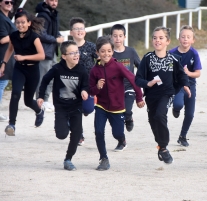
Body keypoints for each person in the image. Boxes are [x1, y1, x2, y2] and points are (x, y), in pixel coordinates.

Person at [135, 26, 190, 164]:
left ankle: (164, 147)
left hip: (167, 94)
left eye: (161, 38)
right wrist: (148, 84)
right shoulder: (147, 58)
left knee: (160, 115)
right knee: (154, 120)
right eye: (155, 38)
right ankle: (160, 146)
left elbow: (181, 75)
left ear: (168, 41)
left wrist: (185, 85)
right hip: (151, 96)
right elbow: (138, 79)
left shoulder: (174, 59)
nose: (157, 40)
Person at [89, 36, 144, 171]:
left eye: (109, 51)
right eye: (103, 51)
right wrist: (97, 87)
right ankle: (103, 158)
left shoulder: (118, 66)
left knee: (117, 133)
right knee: (99, 131)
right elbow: (91, 90)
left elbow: (134, 80)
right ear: (97, 53)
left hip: (117, 107)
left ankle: (122, 140)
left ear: (113, 51)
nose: (106, 54)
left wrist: (139, 97)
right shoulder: (94, 70)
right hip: (101, 106)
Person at [37, 40, 89, 171]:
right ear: (64, 56)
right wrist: (41, 96)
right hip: (61, 107)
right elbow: (45, 80)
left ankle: (68, 159)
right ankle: (64, 124)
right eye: (72, 53)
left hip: (76, 106)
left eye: (77, 52)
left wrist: (84, 91)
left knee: (76, 135)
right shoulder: (57, 68)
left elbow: (86, 85)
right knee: (61, 135)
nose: (76, 55)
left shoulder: (82, 70)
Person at [0, 8, 45, 136]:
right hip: (19, 68)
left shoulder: (34, 37)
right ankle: (12, 125)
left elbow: (41, 55)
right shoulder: (13, 36)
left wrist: (24, 57)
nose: (20, 25)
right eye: (18, 22)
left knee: (28, 101)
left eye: (23, 22)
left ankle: (39, 111)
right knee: (15, 94)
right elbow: (9, 50)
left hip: (33, 70)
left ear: (29, 23)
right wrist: (3, 64)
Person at [169, 25, 201, 147]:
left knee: (190, 114)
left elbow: (198, 73)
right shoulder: (172, 53)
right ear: (179, 38)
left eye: (188, 37)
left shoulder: (194, 54)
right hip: (178, 85)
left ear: (193, 40)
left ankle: (182, 136)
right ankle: (176, 109)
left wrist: (188, 73)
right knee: (178, 104)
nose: (185, 39)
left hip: (191, 84)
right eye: (183, 36)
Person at [69, 17, 98, 145]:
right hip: (73, 83)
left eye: (81, 29)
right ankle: (78, 135)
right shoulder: (68, 47)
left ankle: (85, 110)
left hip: (88, 83)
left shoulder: (91, 46)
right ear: (71, 32)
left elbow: (101, 60)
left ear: (85, 32)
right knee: (75, 110)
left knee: (88, 109)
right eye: (76, 29)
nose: (79, 31)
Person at [110, 24, 141, 132]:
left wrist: (140, 81)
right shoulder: (109, 53)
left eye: (120, 35)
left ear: (124, 37)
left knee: (127, 110)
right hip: (114, 88)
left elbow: (140, 66)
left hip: (129, 86)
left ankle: (129, 118)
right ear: (111, 37)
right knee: (118, 112)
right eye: (115, 36)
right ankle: (120, 136)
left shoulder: (131, 51)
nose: (117, 38)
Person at [35, 0, 64, 112]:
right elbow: (40, 33)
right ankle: (39, 100)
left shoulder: (54, 14)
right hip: (44, 51)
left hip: (52, 51)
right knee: (42, 77)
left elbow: (53, 31)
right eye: (52, 0)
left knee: (52, 77)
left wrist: (58, 35)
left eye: (56, 0)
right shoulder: (42, 15)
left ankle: (46, 100)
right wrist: (56, 39)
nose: (54, 2)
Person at [0, 0, 16, 121]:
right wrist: (19, 34)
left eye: (12, 2)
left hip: (6, 55)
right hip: (2, 55)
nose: (10, 3)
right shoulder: (1, 19)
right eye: (7, 1)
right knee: (1, 84)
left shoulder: (6, 18)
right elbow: (3, 39)